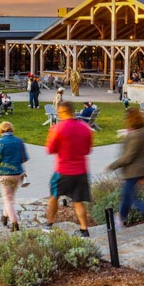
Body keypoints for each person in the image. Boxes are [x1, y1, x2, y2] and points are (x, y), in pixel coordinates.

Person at [106, 108, 144, 234]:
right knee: (127, 196)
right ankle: (120, 220)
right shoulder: (141, 132)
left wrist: (113, 165)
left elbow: (129, 156)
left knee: (133, 198)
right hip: (137, 171)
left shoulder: (136, 135)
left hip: (133, 171)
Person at [43, 101, 93, 237]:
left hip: (63, 170)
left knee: (54, 196)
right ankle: (84, 230)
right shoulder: (85, 128)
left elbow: (50, 149)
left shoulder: (57, 128)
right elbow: (88, 150)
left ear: (62, 112)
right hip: (81, 170)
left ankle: (49, 223)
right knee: (78, 200)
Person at [0, 121, 29, 232]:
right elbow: (25, 158)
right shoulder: (19, 141)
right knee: (10, 198)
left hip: (5, 174)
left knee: (8, 199)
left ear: (1, 131)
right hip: (18, 174)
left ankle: (15, 224)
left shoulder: (1, 142)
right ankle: (4, 217)